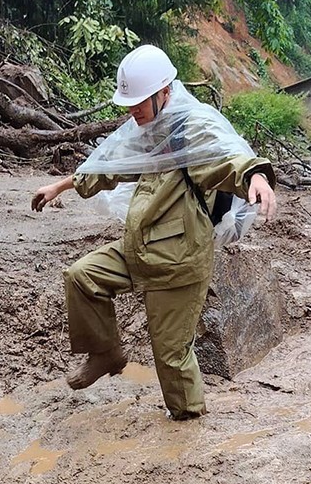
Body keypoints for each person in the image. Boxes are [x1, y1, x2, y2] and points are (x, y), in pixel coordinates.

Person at [31, 45, 276, 420]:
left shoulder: (191, 128)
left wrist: (255, 176)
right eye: (129, 103)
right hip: (142, 246)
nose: (133, 110)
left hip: (180, 261)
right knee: (82, 278)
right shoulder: (147, 129)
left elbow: (226, 158)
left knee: (171, 357)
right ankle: (106, 353)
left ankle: (189, 425)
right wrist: (60, 187)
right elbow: (109, 166)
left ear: (164, 92)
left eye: (140, 101)